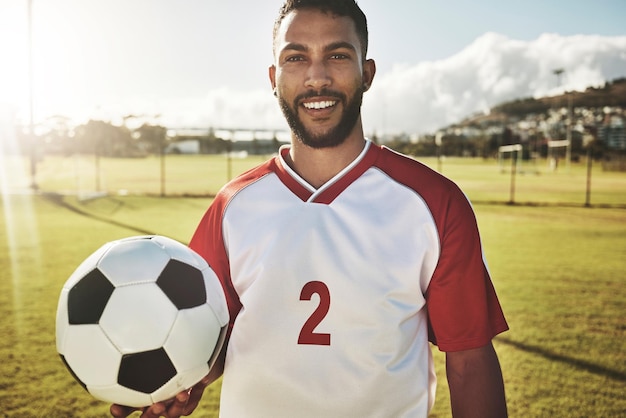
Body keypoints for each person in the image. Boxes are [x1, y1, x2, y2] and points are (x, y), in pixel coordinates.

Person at [111, 0, 508, 417]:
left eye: (337, 55)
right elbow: (206, 333)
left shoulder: (434, 203)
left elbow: (469, 362)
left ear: (367, 73)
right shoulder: (232, 206)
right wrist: (183, 378)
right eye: (296, 57)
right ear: (274, 77)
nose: (317, 77)